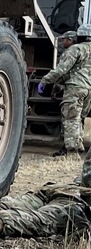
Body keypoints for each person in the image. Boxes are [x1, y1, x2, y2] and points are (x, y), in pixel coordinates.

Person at [39, 27, 91, 156]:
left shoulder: (77, 49)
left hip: (75, 88)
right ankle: (78, 147)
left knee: (71, 118)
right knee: (80, 118)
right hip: (89, 90)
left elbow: (62, 70)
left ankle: (72, 152)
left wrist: (46, 81)